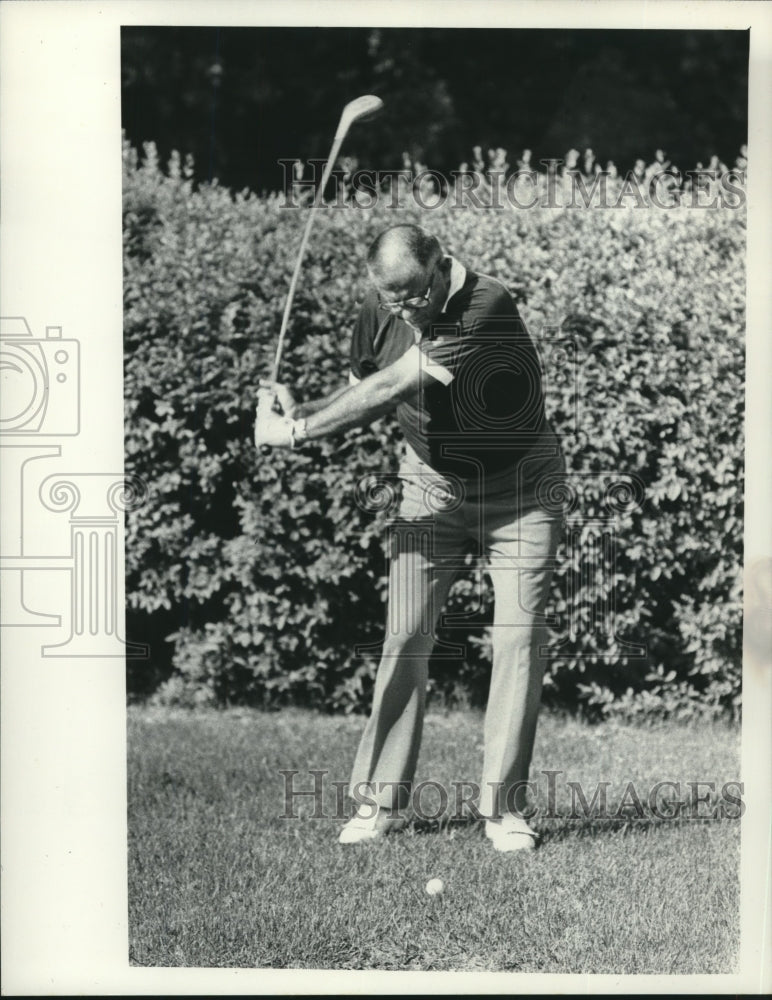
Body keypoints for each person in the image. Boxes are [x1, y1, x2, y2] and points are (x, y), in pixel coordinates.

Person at [255, 223, 564, 852]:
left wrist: (295, 435)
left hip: (521, 487)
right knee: (404, 633)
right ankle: (378, 803)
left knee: (518, 637)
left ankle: (504, 810)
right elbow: (363, 384)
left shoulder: (486, 304)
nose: (403, 309)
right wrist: (299, 408)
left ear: (439, 266)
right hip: (430, 483)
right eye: (391, 298)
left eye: (413, 295)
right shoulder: (384, 304)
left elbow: (393, 385)